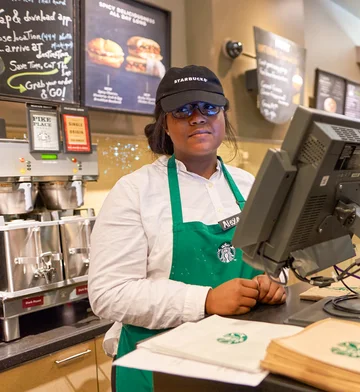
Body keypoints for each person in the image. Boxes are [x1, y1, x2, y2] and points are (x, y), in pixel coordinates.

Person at [88, 65, 287, 392]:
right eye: (182, 110)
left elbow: (275, 260)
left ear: (224, 116)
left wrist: (272, 282)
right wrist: (205, 300)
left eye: (210, 107)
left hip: (241, 358)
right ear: (164, 123)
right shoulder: (134, 192)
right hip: (159, 368)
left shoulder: (248, 185)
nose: (198, 117)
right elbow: (109, 294)